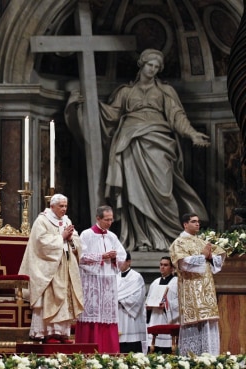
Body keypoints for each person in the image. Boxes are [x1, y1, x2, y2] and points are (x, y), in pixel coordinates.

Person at [99, 48, 210, 251]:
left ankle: (168, 236)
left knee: (163, 190)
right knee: (134, 190)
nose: (153, 69)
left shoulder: (165, 91)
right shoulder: (125, 92)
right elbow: (110, 115)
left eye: (157, 67)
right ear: (142, 64)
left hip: (159, 141)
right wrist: (85, 104)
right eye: (150, 65)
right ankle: (142, 238)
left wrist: (192, 134)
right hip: (130, 143)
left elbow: (177, 116)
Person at [18, 194, 84, 343]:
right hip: (48, 267)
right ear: (52, 206)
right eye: (61, 206)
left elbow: (77, 240)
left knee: (64, 300)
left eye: (65, 206)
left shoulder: (67, 220)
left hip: (65, 265)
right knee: (51, 299)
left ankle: (62, 333)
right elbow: (40, 243)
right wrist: (61, 237)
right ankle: (48, 333)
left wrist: (70, 238)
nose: (64, 209)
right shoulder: (42, 220)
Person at [170, 213, 226, 356]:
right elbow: (183, 263)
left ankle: (210, 357)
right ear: (185, 224)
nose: (197, 224)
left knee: (208, 322)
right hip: (190, 288)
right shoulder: (179, 243)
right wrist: (202, 256)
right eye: (193, 221)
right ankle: (191, 358)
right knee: (193, 324)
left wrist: (210, 256)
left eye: (198, 222)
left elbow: (219, 256)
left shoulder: (202, 242)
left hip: (206, 289)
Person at [76, 205, 126, 353]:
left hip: (108, 283)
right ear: (98, 218)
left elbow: (123, 257)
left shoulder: (112, 236)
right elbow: (80, 258)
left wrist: (115, 257)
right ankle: (88, 352)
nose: (110, 223)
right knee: (92, 317)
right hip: (92, 283)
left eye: (111, 220)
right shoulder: (86, 235)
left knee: (107, 317)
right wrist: (101, 257)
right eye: (106, 220)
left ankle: (109, 351)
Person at [146, 256, 179, 354]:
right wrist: (148, 307)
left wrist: (167, 305)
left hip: (168, 320)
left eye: (165, 265)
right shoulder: (155, 283)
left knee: (167, 351)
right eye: (161, 265)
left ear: (172, 268)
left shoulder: (177, 282)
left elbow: (181, 302)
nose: (162, 267)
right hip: (155, 318)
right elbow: (148, 299)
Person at [117, 252, 147, 353]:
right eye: (118, 260)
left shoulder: (136, 277)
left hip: (130, 318)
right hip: (117, 316)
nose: (119, 263)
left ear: (129, 262)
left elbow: (137, 299)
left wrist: (119, 300)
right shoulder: (114, 276)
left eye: (122, 260)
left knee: (131, 348)